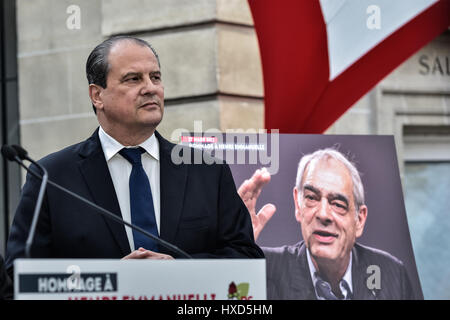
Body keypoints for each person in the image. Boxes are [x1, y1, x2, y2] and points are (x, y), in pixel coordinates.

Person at [5, 36, 264, 279]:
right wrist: (110, 279)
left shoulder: (206, 170)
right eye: (133, 79)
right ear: (97, 95)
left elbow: (247, 259)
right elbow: (19, 274)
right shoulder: (51, 177)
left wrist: (179, 269)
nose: (150, 88)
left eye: (155, 77)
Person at [238, 148, 419, 300]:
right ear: (298, 204)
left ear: (359, 220)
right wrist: (233, 252)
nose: (323, 214)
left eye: (338, 204)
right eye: (311, 198)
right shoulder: (262, 269)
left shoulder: (391, 274)